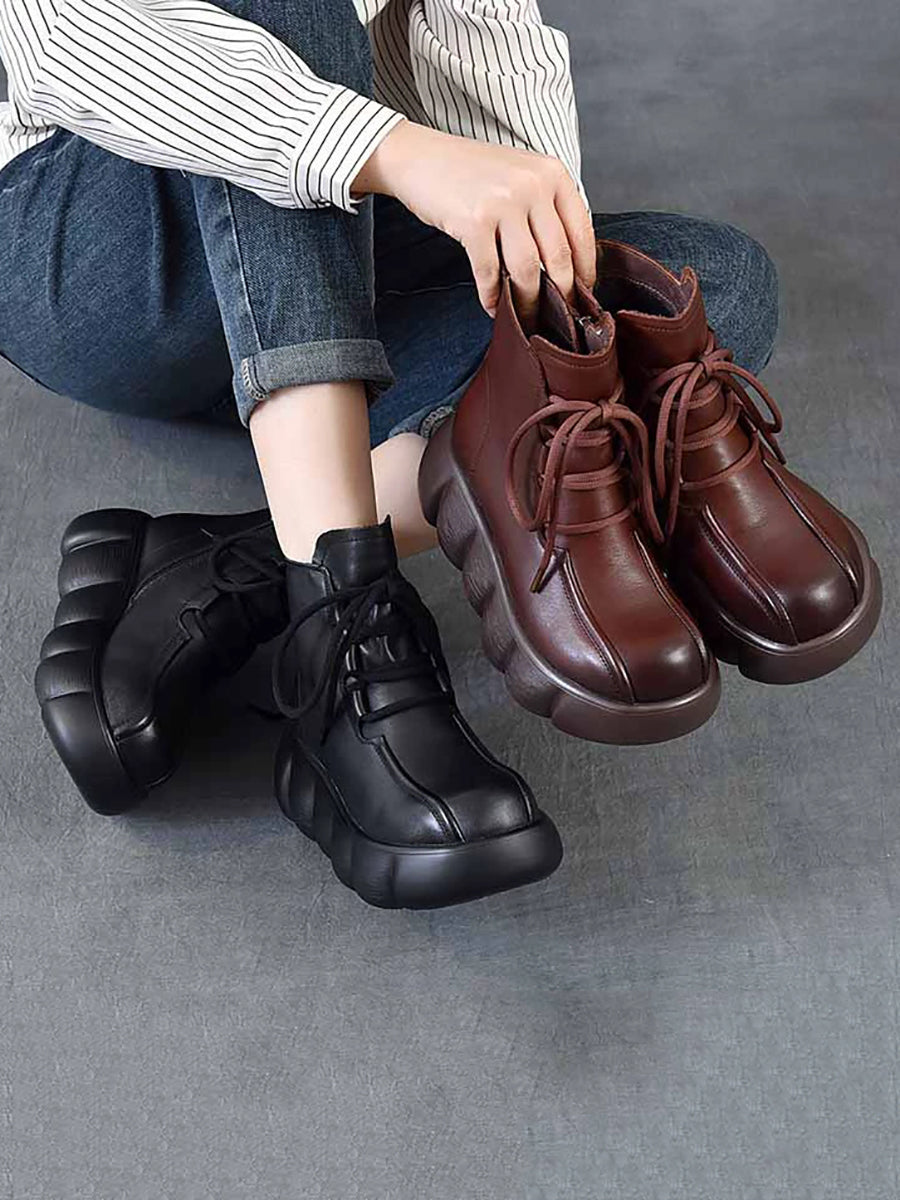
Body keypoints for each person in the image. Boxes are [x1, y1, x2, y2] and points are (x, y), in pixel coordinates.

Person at [2, 0, 836, 910]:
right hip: (85, 238)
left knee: (695, 290)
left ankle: (244, 562)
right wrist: (394, 152)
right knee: (290, 20)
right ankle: (342, 637)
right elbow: (53, 38)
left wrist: (545, 301)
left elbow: (482, 37)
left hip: (321, 256)